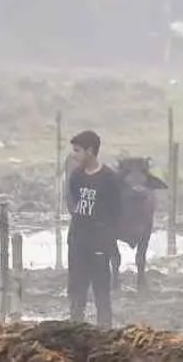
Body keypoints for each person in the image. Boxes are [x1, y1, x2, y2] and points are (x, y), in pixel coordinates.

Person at [66, 129, 121, 328]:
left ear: (90, 151)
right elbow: (73, 201)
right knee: (76, 291)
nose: (74, 155)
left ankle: (105, 333)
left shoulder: (109, 178)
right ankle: (74, 329)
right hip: (77, 240)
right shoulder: (76, 176)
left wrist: (107, 239)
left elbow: (117, 212)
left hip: (99, 241)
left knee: (101, 292)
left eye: (77, 150)